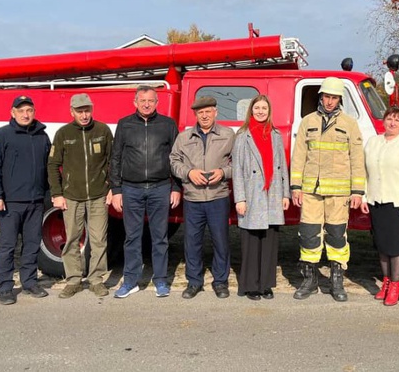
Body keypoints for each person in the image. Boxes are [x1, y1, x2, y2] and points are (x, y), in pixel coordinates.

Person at [290, 77, 365, 302]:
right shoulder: (307, 122)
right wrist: (296, 187)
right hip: (311, 191)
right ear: (321, 97)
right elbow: (299, 156)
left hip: (339, 193)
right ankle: (310, 281)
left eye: (334, 97)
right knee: (309, 236)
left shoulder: (350, 124)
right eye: (326, 97)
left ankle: (336, 282)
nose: (330, 101)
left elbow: (357, 158)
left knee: (336, 236)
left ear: (339, 99)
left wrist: (357, 190)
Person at [110, 86, 181, 299]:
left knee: (160, 237)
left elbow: (177, 158)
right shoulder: (124, 124)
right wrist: (116, 189)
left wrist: (176, 187)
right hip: (131, 188)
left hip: (160, 188)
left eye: (151, 100)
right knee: (132, 237)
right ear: (135, 102)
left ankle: (160, 280)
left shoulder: (168, 124)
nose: (147, 104)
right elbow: (116, 158)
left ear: (157, 102)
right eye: (143, 100)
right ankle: (130, 281)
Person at [0, 95, 52, 305]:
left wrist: (48, 193)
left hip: (35, 201)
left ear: (34, 112)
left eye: (29, 110)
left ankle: (29, 282)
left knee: (32, 244)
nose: (25, 114)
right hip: (10, 203)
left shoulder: (42, 136)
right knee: (8, 245)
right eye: (21, 111)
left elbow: (48, 167)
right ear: (12, 113)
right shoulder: (1, 135)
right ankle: (5, 286)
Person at [48, 93, 114, 299]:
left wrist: (112, 188)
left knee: (99, 240)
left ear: (91, 110)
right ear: (72, 112)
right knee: (72, 239)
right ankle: (73, 280)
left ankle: (96, 280)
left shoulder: (102, 130)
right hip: (71, 196)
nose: (84, 115)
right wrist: (57, 193)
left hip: (98, 195)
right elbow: (53, 165)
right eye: (80, 111)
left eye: (87, 110)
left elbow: (113, 161)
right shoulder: (63, 133)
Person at [170, 96, 235, 299]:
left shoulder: (228, 135)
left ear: (215, 112)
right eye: (200, 112)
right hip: (193, 198)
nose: (205, 115)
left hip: (218, 196)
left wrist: (223, 172)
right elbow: (173, 161)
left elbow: (238, 162)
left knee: (220, 242)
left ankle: (221, 282)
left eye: (208, 111)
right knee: (192, 242)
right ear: (195, 115)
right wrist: (188, 173)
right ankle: (194, 282)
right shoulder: (184, 137)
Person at [360, 106, 399, 306]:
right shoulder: (373, 142)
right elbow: (364, 172)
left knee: (396, 246)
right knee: (382, 245)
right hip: (377, 201)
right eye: (389, 119)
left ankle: (395, 285)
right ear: (383, 121)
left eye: (397, 119)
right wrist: (364, 196)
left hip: (398, 202)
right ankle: (386, 282)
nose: (392, 123)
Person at [232, 95, 290, 300]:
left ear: (269, 111)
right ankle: (251, 286)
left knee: (269, 242)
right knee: (252, 242)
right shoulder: (243, 136)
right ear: (251, 110)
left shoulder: (276, 135)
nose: (260, 111)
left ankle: (266, 285)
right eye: (257, 108)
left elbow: (282, 166)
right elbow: (237, 169)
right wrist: (240, 198)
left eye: (264, 108)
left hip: (272, 194)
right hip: (251, 195)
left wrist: (285, 194)